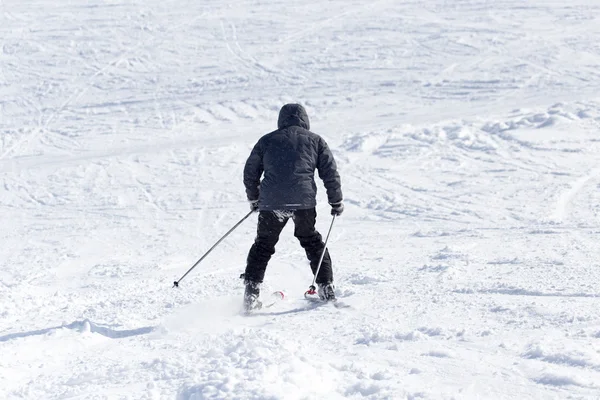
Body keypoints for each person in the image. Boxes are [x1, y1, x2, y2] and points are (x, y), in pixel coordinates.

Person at [241, 103, 344, 311]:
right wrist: (336, 201)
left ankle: (251, 296)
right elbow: (330, 173)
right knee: (312, 241)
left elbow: (250, 172)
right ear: (305, 120)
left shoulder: (267, 140)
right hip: (303, 202)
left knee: (263, 246)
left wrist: (254, 199)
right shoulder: (315, 140)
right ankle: (325, 287)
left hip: (272, 203)